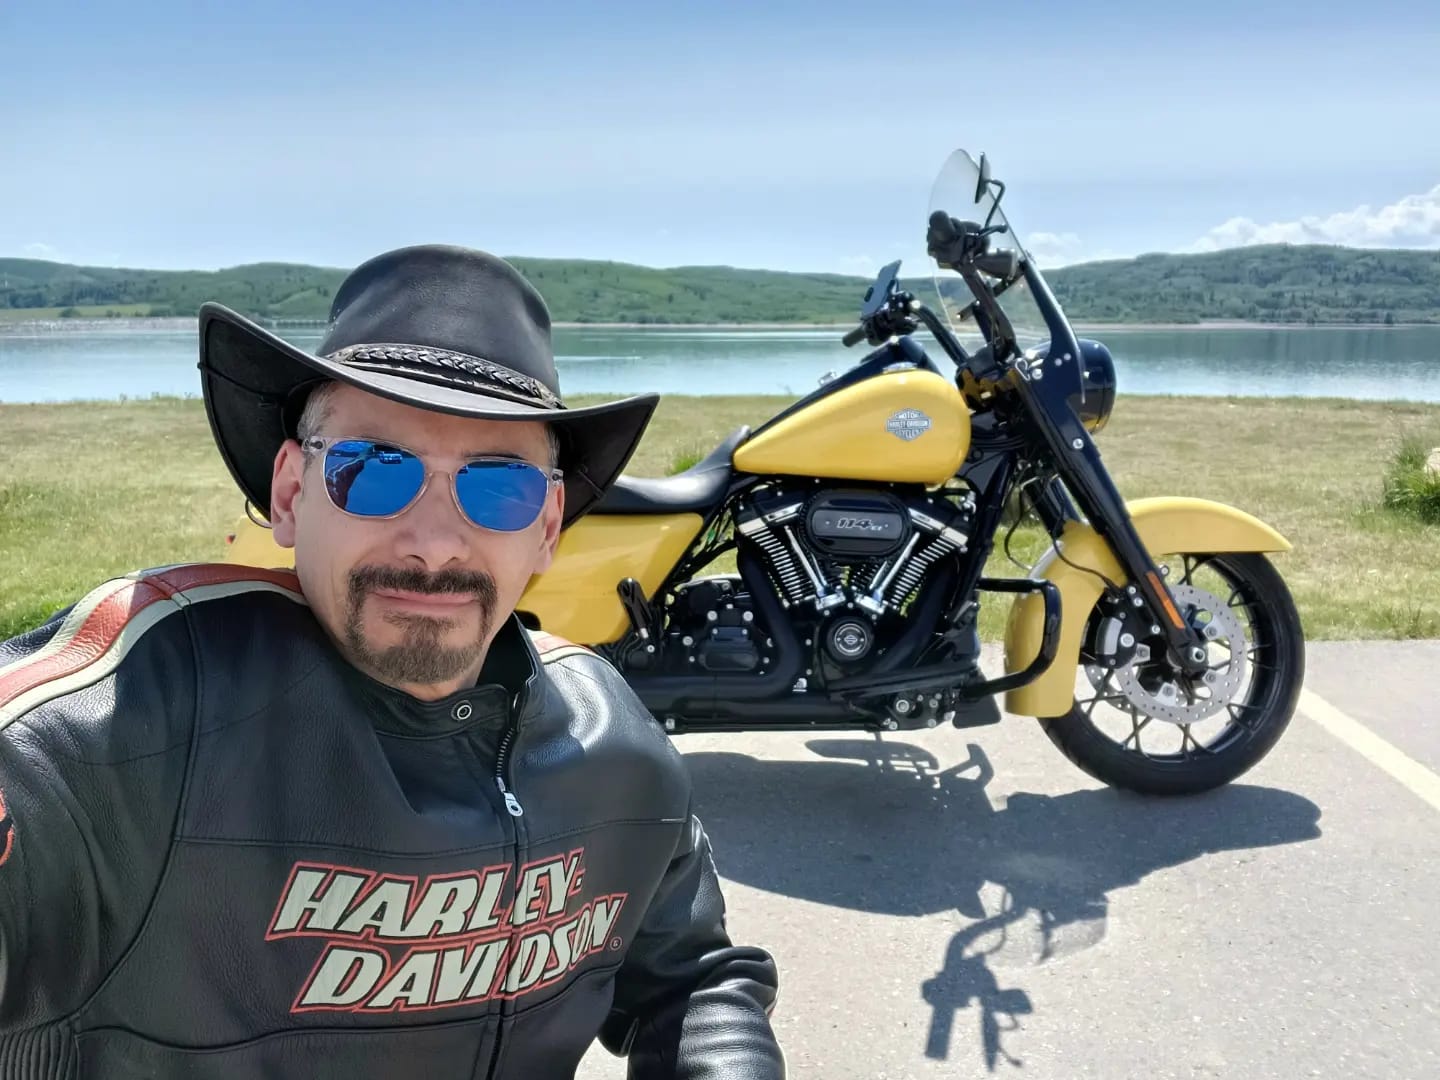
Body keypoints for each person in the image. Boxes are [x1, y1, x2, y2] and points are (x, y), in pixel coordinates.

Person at [0, 245, 785, 1078]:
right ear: (292, 494)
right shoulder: (125, 727)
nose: (434, 544)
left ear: (548, 526)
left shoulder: (609, 735)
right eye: (373, 471)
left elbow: (691, 979)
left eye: (500, 487)